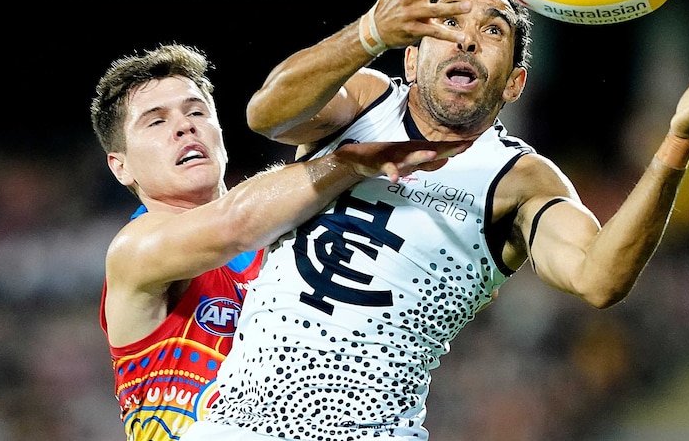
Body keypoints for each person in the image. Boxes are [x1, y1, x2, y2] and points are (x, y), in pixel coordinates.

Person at [181, 0, 689, 440]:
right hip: (231, 423)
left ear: (514, 84)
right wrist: (368, 32)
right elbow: (266, 114)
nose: (466, 38)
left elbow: (599, 277)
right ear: (411, 58)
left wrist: (678, 142)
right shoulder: (360, 101)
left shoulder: (520, 179)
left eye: (492, 31)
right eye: (448, 21)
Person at [90, 43, 470, 441]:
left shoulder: (292, 241)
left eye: (196, 111)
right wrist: (348, 161)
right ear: (122, 167)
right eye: (156, 122)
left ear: (220, 132)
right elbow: (234, 222)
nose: (185, 127)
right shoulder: (133, 251)